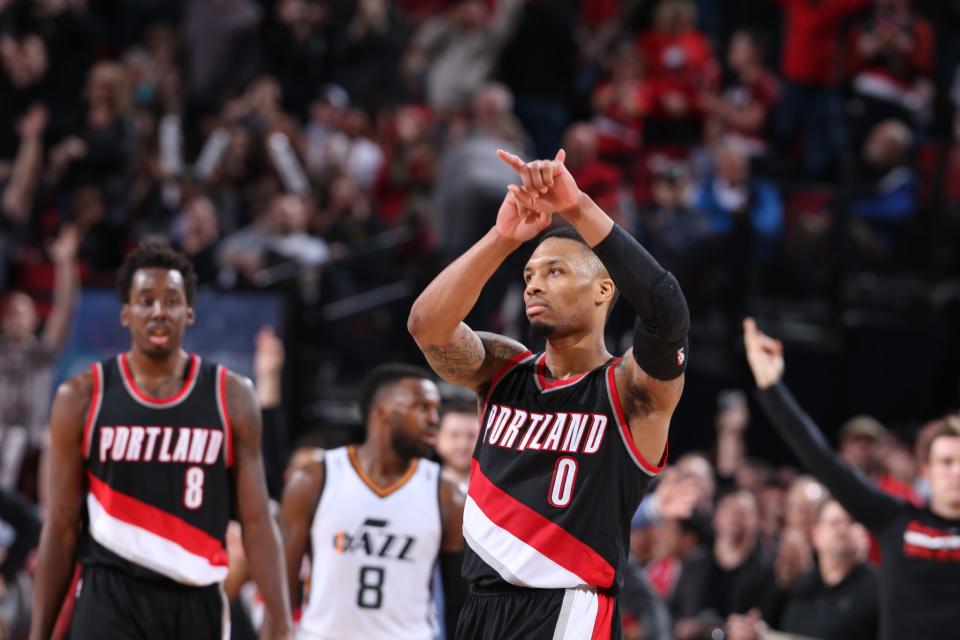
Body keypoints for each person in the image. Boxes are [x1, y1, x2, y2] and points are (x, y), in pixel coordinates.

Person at [408, 148, 689, 638]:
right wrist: (502, 238)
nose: (534, 286)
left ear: (604, 290)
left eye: (555, 272)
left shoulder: (629, 387)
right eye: (529, 276)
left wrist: (577, 204)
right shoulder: (504, 368)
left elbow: (667, 312)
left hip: (568, 610)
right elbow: (426, 326)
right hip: (479, 607)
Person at [29, 241, 293, 640]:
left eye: (171, 300)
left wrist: (281, 616)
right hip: (109, 595)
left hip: (195, 597)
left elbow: (256, 522)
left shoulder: (232, 396)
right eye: (145, 300)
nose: (158, 311)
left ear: (189, 312)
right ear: (125, 313)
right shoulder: (82, 396)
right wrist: (38, 632)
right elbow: (63, 525)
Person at [743, 317, 960, 639]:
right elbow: (823, 461)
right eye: (946, 461)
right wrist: (772, 389)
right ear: (925, 470)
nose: (956, 471)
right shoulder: (894, 518)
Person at [273, 363, 467, 639]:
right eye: (422, 407)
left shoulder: (448, 496)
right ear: (381, 413)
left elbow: (459, 608)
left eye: (436, 409)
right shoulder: (314, 479)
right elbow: (280, 592)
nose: (434, 419)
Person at [726, 498, 879, 640]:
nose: (842, 530)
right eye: (835, 523)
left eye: (851, 522)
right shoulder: (799, 586)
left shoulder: (878, 587)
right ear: (816, 534)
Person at [436, 400, 481, 492]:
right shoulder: (418, 487)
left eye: (471, 435)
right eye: (454, 435)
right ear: (436, 438)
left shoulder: (495, 490)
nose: (463, 444)